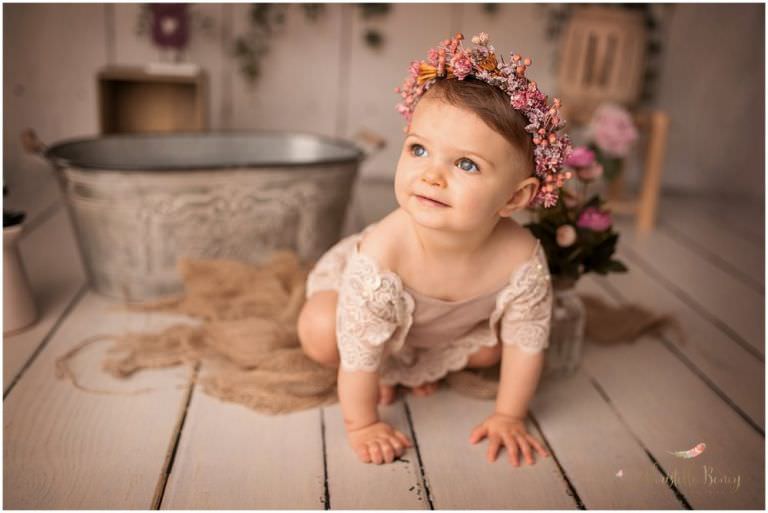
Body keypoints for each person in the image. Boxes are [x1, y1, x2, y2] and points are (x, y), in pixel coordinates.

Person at [297, 32, 573, 466]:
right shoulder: (383, 255)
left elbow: (527, 342)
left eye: (466, 164)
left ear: (515, 198)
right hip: (365, 310)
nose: (431, 176)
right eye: (419, 149)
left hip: (436, 331)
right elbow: (358, 348)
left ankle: (409, 365)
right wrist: (364, 424)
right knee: (320, 330)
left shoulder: (521, 259)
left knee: (493, 351)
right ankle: (389, 368)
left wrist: (508, 415)